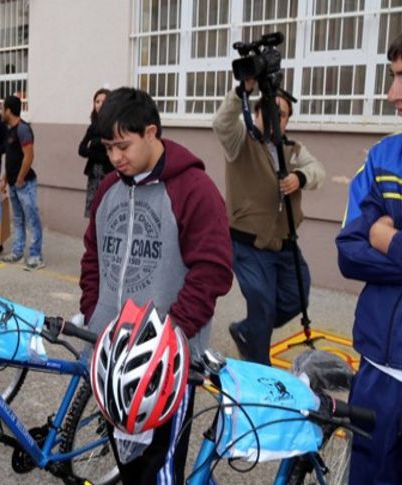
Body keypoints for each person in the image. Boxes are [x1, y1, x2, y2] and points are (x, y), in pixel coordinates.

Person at [80, 87, 233, 484]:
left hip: (168, 367)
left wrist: (172, 336)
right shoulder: (110, 191)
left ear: (151, 132)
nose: (115, 157)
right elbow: (92, 257)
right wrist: (94, 314)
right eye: (108, 147)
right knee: (131, 468)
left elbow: (213, 270)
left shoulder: (194, 190)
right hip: (113, 363)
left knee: (161, 472)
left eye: (123, 146)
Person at [212, 78, 325, 366]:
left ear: (288, 120)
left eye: (283, 114)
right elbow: (222, 123)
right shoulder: (241, 142)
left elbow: (317, 171)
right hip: (248, 243)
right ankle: (260, 370)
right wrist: (241, 92)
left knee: (298, 297)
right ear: (258, 113)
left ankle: (248, 330)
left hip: (285, 243)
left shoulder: (293, 148)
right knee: (261, 302)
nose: (277, 118)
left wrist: (299, 178)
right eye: (271, 110)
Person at [336, 31, 402, 485]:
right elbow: (349, 252)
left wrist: (389, 238)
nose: (391, 93)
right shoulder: (383, 157)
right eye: (393, 76)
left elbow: (371, 242)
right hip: (379, 373)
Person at [0, 95, 45, 270]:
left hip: (25, 184)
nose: (1, 112)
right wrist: (4, 178)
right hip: (13, 184)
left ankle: (36, 256)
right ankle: (17, 252)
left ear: (9, 110)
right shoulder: (10, 130)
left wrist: (20, 178)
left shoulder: (23, 129)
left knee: (32, 219)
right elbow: (9, 157)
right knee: (17, 219)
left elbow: (29, 155)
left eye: (3, 108)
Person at [78, 88, 113, 217]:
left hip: (110, 174)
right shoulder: (93, 127)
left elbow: (114, 150)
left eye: (103, 101)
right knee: (94, 213)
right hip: (94, 174)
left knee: (108, 213)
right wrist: (100, 142)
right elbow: (81, 149)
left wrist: (94, 144)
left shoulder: (115, 126)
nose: (99, 104)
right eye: (97, 101)